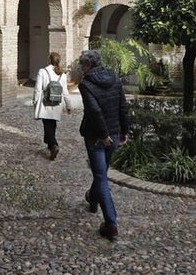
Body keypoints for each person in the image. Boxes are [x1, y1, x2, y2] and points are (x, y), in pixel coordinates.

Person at [76, 48, 130, 241]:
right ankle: (92, 199)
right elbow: (123, 106)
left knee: (100, 176)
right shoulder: (114, 78)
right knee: (101, 172)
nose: (81, 68)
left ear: (88, 65)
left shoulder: (86, 84)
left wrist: (104, 135)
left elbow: (94, 111)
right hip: (114, 133)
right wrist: (124, 131)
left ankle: (111, 224)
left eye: (82, 64)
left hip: (97, 136)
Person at [33, 52, 70, 160]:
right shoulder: (62, 74)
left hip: (45, 103)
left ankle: (53, 145)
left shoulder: (43, 71)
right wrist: (68, 106)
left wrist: (35, 101)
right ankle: (50, 145)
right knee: (51, 124)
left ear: (49, 60)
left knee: (47, 124)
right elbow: (65, 92)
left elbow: (38, 89)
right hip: (57, 103)